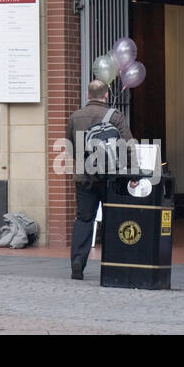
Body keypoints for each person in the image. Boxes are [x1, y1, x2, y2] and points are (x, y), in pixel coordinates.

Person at [65, 79, 133, 280]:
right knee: (113, 219)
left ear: (88, 95)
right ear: (106, 96)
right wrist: (133, 174)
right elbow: (128, 146)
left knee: (84, 219)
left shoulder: (75, 116)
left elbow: (69, 147)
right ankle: (114, 264)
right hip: (111, 177)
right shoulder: (115, 116)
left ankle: (77, 262)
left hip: (84, 177)